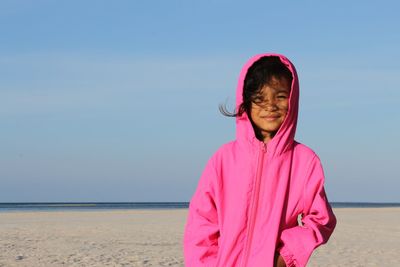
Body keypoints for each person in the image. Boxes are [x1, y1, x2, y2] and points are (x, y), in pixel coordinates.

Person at [183, 53, 337, 267]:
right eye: (260, 98)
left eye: (280, 96)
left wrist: (286, 256)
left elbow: (321, 219)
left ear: (293, 100)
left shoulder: (304, 161)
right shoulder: (224, 159)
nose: (270, 106)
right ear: (245, 102)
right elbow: (201, 224)